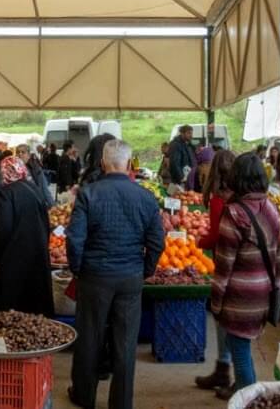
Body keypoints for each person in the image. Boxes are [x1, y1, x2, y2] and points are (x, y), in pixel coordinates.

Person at [67, 140, 164, 409]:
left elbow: (74, 239)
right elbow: (157, 242)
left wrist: (78, 268)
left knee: (89, 338)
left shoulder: (89, 194)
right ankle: (121, 403)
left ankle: (84, 396)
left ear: (102, 164)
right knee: (125, 343)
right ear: (130, 164)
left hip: (94, 276)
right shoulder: (145, 197)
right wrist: (145, 270)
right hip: (130, 277)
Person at [210, 153, 280, 400]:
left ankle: (250, 401)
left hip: (240, 297)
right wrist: (276, 292)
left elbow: (224, 267)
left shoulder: (234, 213)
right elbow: (279, 257)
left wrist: (216, 303)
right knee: (243, 348)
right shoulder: (273, 209)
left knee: (240, 356)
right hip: (263, 294)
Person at [0, 156, 54, 316]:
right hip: (37, 255)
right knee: (35, 307)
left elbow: (3, 229)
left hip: (14, 259)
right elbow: (46, 222)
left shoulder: (5, 193)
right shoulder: (33, 188)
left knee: (11, 309)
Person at [194, 150, 237, 392]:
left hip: (225, 262)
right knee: (232, 318)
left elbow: (215, 235)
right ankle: (223, 369)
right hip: (242, 262)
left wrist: (196, 242)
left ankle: (225, 371)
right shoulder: (241, 195)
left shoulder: (218, 199)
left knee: (223, 316)